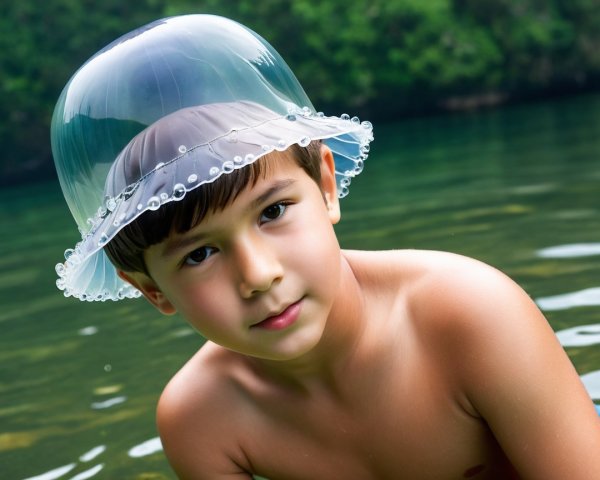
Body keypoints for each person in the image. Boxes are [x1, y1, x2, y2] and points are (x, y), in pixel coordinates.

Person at [51, 14, 600, 480]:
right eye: (199, 255)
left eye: (272, 212)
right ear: (151, 290)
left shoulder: (469, 315)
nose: (259, 275)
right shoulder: (202, 420)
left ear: (327, 186)